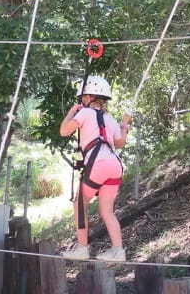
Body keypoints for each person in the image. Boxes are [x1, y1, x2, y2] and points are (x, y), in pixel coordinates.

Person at [60, 76, 130, 262]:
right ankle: (118, 251)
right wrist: (124, 126)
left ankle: (82, 248)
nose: (81, 100)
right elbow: (119, 143)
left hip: (98, 164)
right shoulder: (110, 118)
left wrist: (71, 112)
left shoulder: (83, 114)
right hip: (115, 165)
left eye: (83, 97)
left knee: (79, 203)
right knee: (107, 211)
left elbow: (64, 131)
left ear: (89, 96)